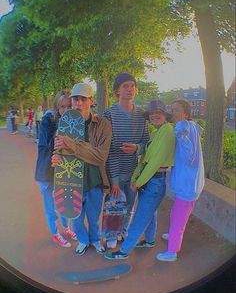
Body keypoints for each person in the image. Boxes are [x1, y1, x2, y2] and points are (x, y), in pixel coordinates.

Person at [105, 100, 175, 260]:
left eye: (158, 112)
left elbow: (154, 163)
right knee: (151, 213)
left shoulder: (167, 131)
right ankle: (149, 240)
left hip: (155, 180)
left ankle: (123, 251)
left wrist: (138, 182)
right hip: (150, 180)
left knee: (140, 217)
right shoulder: (157, 132)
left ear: (165, 114)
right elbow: (144, 159)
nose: (155, 115)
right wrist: (136, 177)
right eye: (152, 113)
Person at [52, 83, 112, 256]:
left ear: (91, 101)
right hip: (71, 180)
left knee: (93, 217)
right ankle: (83, 240)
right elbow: (59, 151)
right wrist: (56, 157)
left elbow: (100, 156)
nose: (78, 103)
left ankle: (94, 239)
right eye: (75, 99)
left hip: (95, 179)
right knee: (76, 218)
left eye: (82, 99)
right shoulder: (64, 124)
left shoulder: (102, 124)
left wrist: (71, 145)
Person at [102, 72, 149, 247]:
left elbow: (146, 142)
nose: (130, 89)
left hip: (133, 171)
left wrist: (137, 148)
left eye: (132, 85)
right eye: (125, 86)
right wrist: (113, 180)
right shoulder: (109, 114)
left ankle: (123, 230)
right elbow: (106, 148)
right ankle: (112, 235)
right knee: (114, 204)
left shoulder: (142, 116)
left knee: (129, 205)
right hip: (114, 169)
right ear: (117, 92)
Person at [156, 98, 205, 262]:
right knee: (178, 214)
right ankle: (172, 236)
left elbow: (191, 156)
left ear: (186, 113)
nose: (172, 113)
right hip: (189, 182)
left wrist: (180, 136)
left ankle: (172, 252)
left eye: (176, 110)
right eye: (172, 109)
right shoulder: (191, 126)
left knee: (178, 218)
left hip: (188, 184)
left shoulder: (182, 127)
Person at [35, 90, 77, 248]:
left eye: (69, 106)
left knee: (65, 202)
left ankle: (66, 228)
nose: (65, 110)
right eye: (62, 106)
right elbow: (45, 145)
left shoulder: (73, 123)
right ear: (57, 107)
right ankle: (55, 233)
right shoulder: (49, 120)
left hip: (63, 170)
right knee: (49, 204)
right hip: (46, 171)